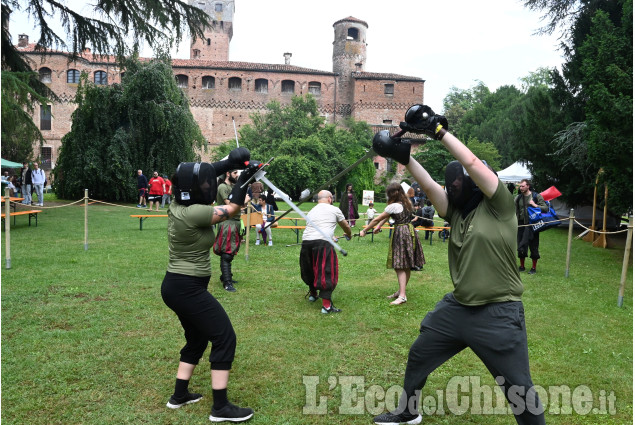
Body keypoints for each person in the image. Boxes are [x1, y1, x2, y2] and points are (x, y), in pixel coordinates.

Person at [370, 104, 545, 424]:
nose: (453, 186)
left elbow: (473, 162)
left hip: (498, 313)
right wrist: (404, 157)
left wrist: (438, 131)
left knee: (521, 391)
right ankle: (409, 410)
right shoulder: (457, 212)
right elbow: (431, 186)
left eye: (460, 182)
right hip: (458, 308)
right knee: (419, 354)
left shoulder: (501, 207)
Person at [161, 148, 260, 423]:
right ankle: (221, 407)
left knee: (196, 339)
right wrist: (243, 180)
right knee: (224, 336)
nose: (208, 185)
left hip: (178, 286)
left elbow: (204, 177)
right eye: (204, 185)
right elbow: (231, 209)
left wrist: (230, 162)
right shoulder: (194, 213)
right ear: (193, 190)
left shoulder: (178, 204)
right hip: (186, 288)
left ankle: (179, 396)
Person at [360, 183, 425, 305]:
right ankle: (401, 291)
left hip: (401, 233)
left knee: (399, 265)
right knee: (406, 265)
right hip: (410, 231)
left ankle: (402, 296)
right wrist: (379, 227)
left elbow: (376, 218)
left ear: (391, 194)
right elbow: (385, 218)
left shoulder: (394, 206)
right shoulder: (407, 203)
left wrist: (364, 230)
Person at [301, 190, 352, 314]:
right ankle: (327, 307)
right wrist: (349, 234)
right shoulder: (334, 209)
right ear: (330, 198)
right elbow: (345, 226)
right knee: (326, 271)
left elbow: (319, 227)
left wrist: (331, 236)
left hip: (306, 242)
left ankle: (313, 294)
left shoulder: (312, 211)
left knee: (310, 269)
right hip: (323, 244)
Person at [213, 170, 245, 292]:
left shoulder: (233, 187)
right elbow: (231, 205)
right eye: (235, 172)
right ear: (228, 173)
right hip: (227, 223)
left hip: (235, 222)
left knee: (230, 252)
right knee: (226, 253)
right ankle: (227, 282)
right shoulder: (222, 187)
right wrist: (244, 200)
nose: (237, 175)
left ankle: (225, 276)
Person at [515, 179, 548, 274]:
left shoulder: (536, 196)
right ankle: (522, 266)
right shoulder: (518, 198)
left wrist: (535, 205)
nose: (521, 188)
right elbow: (514, 210)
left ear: (528, 186)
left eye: (523, 186)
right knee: (521, 245)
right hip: (521, 224)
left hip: (533, 225)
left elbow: (545, 208)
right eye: (520, 186)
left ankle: (533, 268)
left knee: (533, 246)